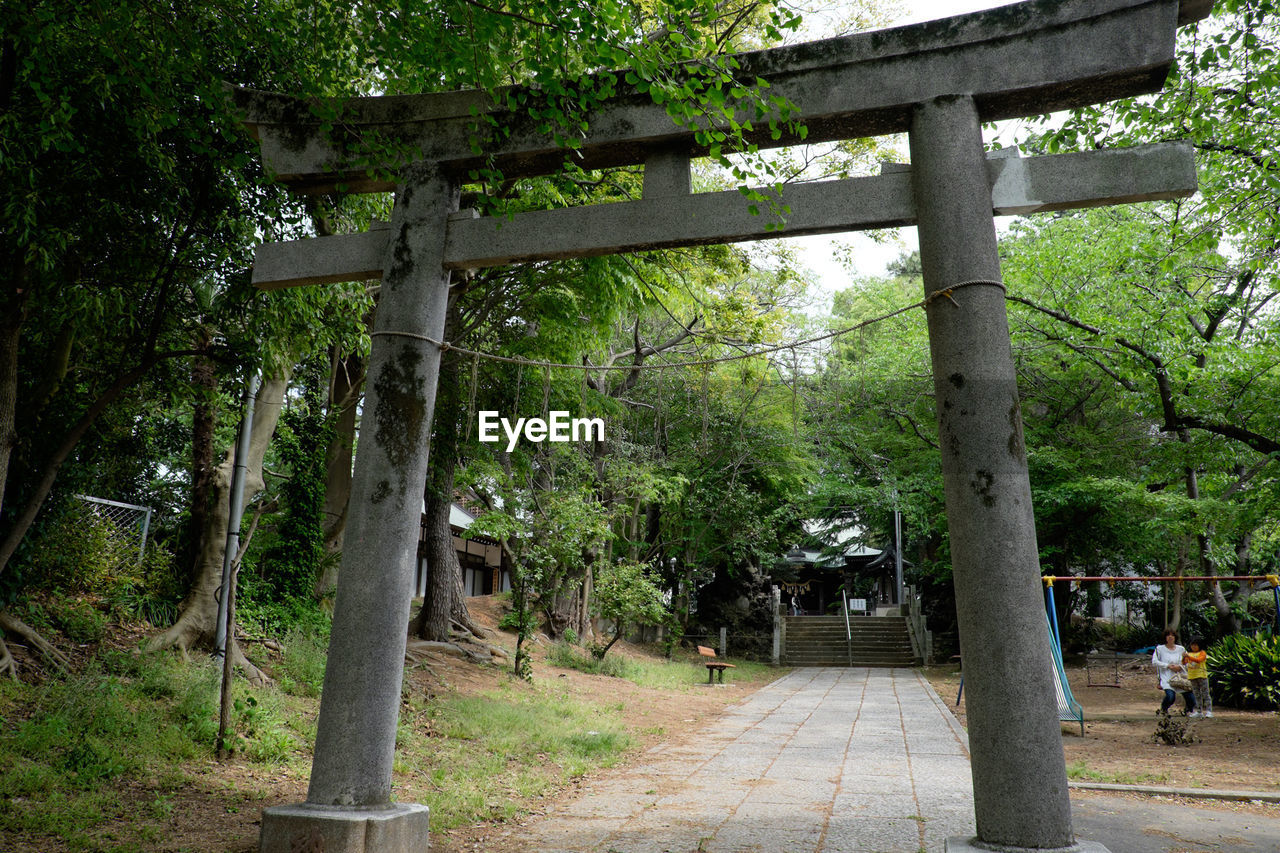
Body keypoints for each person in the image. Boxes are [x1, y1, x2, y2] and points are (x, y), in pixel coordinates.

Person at [1151, 628, 1195, 715]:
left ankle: (1186, 711)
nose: (1170, 637)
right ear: (1165, 638)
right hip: (1167, 677)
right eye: (1168, 635)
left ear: (1175, 637)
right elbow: (1154, 662)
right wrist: (1168, 666)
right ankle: (1164, 709)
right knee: (1170, 697)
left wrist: (1180, 667)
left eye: (1172, 635)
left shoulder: (1181, 649)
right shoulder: (1159, 649)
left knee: (1191, 699)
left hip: (1180, 678)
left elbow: (1189, 662)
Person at [1183, 637, 1213, 718]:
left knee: (1205, 694)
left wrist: (1188, 657)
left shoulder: (1202, 653)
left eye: (1196, 645)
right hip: (1192, 676)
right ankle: (1199, 711)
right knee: (1196, 694)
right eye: (1192, 645)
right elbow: (1184, 662)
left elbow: (1199, 660)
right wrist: (1184, 657)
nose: (1194, 647)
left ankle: (1209, 710)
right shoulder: (1189, 654)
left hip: (1201, 676)